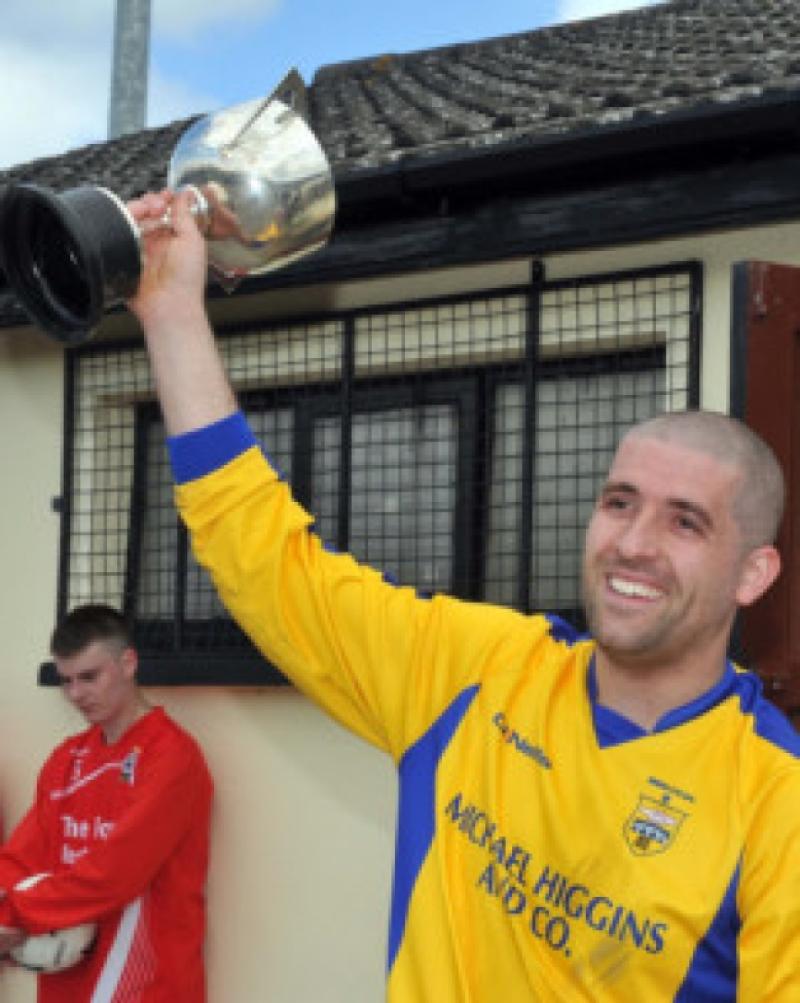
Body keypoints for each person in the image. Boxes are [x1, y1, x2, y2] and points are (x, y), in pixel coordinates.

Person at [126, 189, 800, 1000]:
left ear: (755, 573)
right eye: (619, 502)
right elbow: (266, 561)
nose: (632, 543)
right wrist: (170, 313)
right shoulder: (477, 668)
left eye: (685, 523)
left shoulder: (776, 801)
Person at [0, 603, 213, 1002]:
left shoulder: (171, 756)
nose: (76, 694)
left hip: (145, 983)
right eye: (65, 681)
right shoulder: (67, 758)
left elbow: (113, 874)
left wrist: (15, 920)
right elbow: (24, 857)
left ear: (128, 662)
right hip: (66, 979)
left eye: (89, 677)